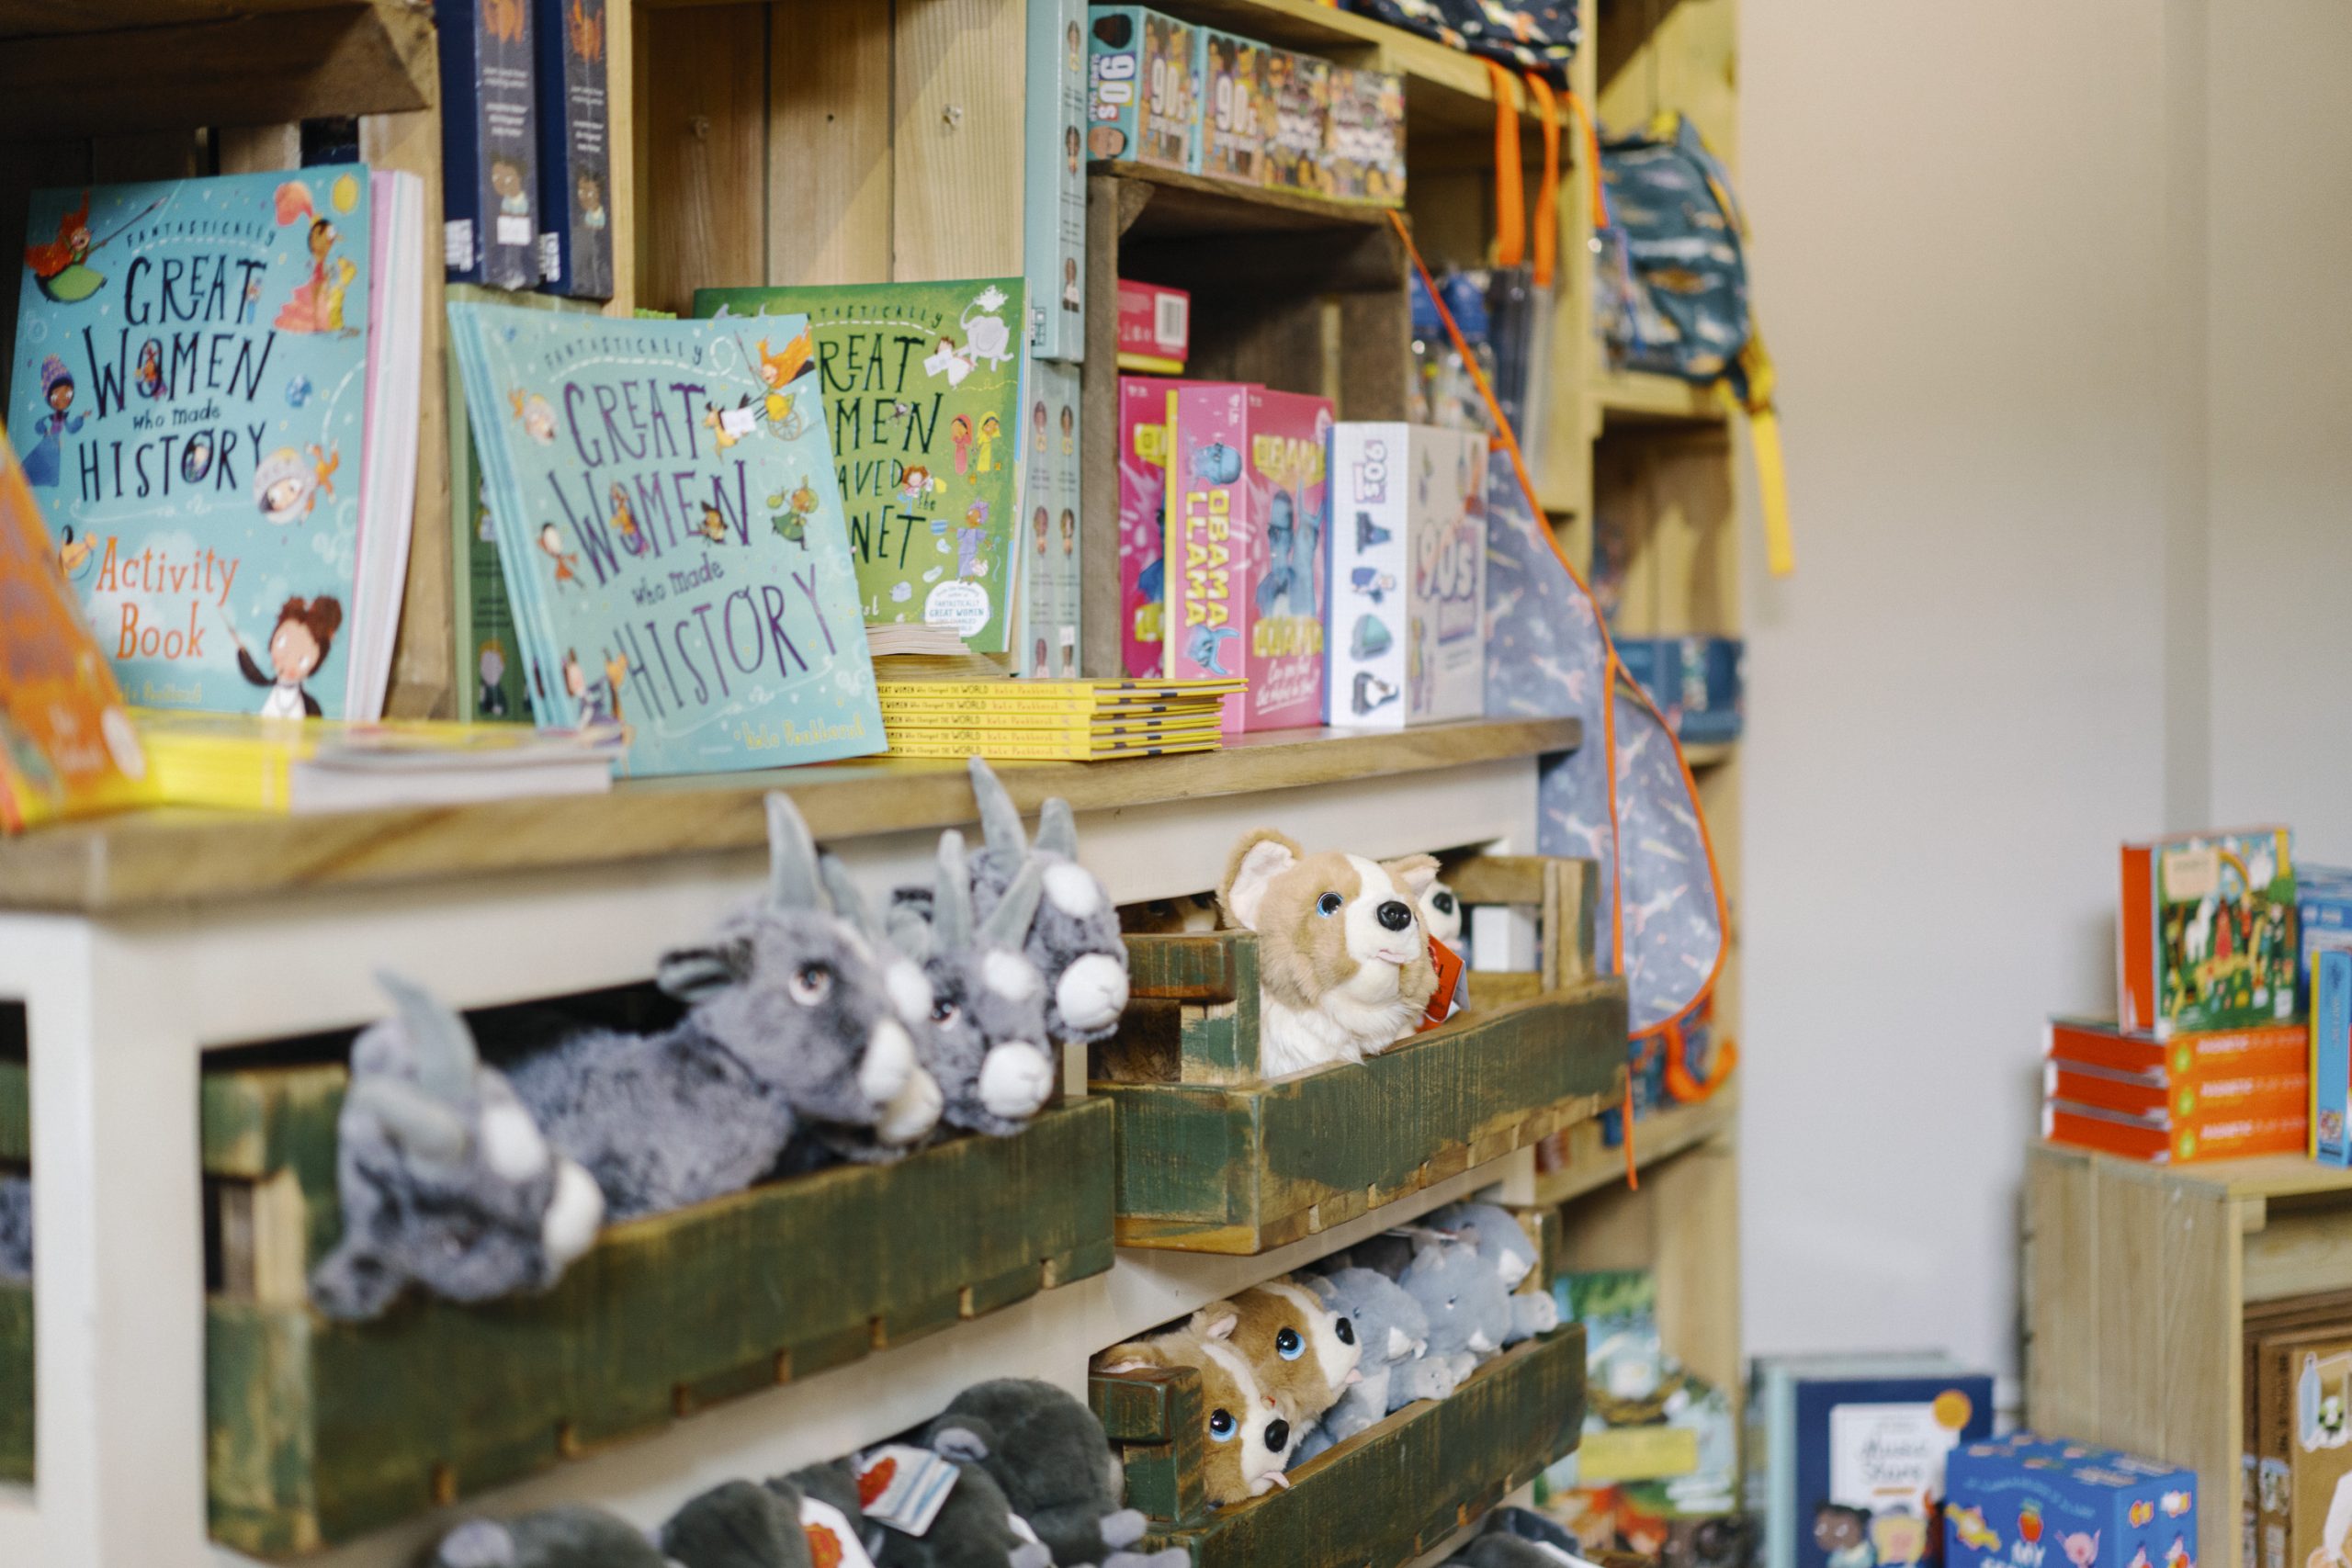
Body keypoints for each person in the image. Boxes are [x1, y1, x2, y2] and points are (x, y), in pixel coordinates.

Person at [238, 596, 343, 718]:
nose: (288, 661)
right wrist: (243, 654)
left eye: (302, 660)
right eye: (281, 641)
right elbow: (255, 676)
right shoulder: (272, 691)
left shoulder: (308, 705)